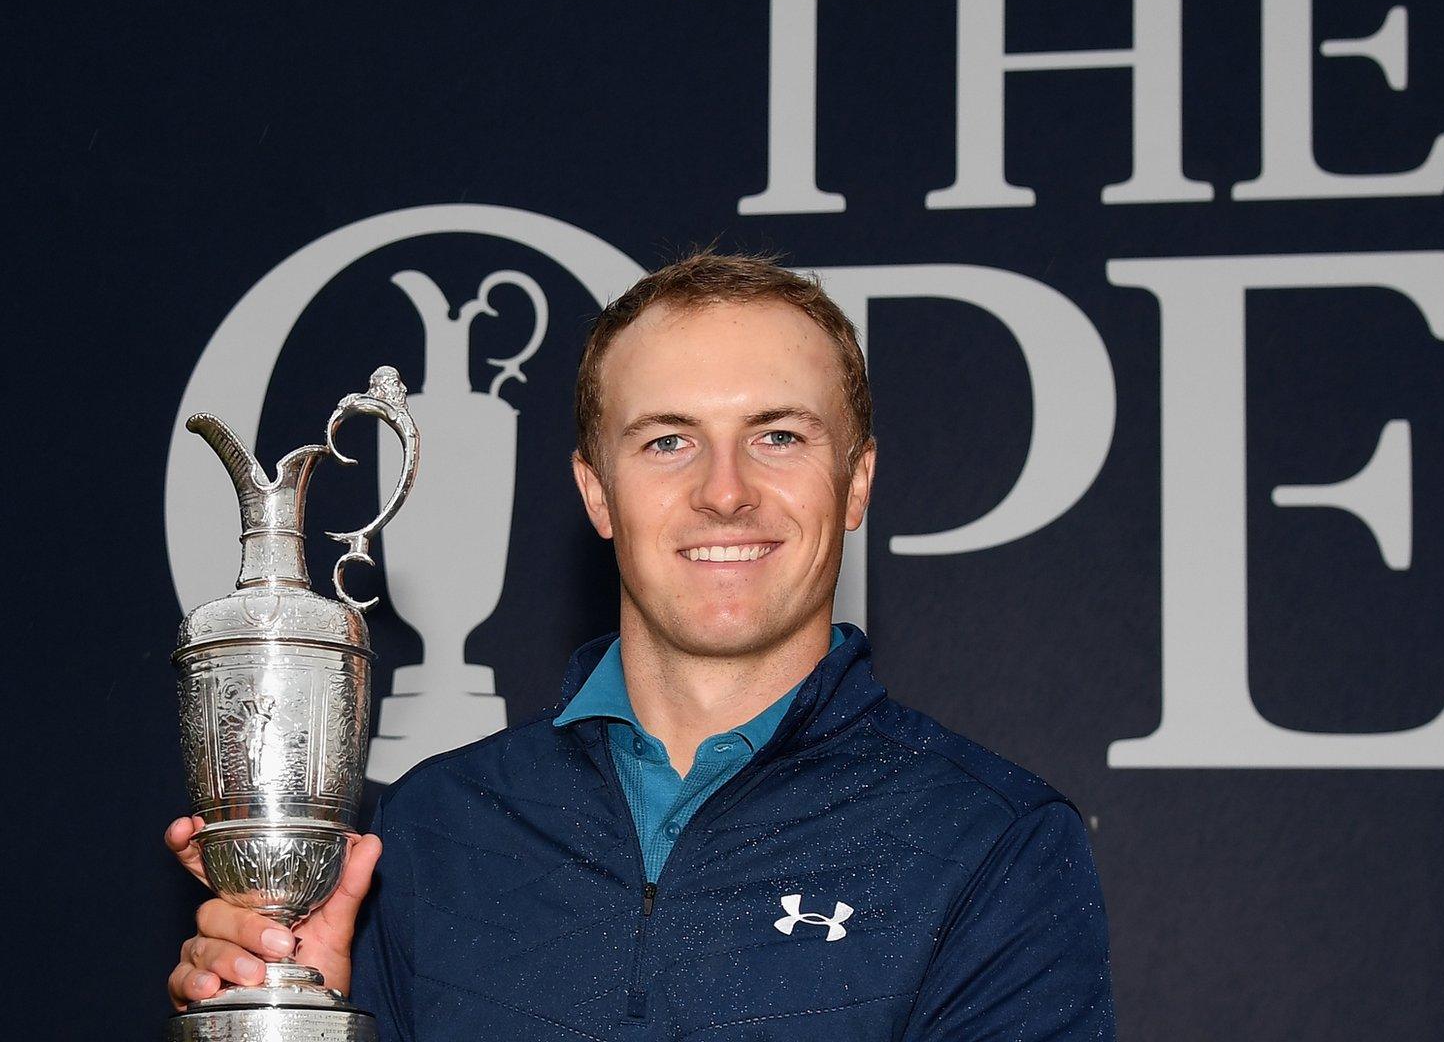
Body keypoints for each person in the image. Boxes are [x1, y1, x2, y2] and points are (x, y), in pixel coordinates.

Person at [165, 252, 1116, 1038]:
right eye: (668, 441)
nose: (725, 490)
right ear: (595, 491)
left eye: (779, 435)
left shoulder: (994, 844)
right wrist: (299, 1010)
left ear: (857, 482)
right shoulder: (428, 833)